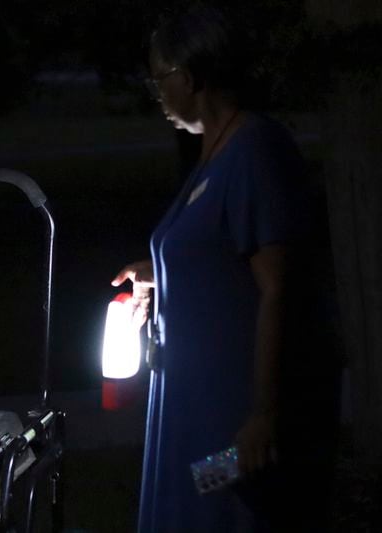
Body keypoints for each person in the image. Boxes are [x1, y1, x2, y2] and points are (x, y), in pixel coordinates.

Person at [113, 7, 339, 532]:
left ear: (189, 77)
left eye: (159, 79)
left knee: (220, 507)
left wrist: (263, 414)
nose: (157, 94)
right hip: (190, 410)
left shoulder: (256, 150)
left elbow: (278, 289)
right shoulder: (213, 157)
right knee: (187, 504)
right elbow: (219, 251)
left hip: (233, 420)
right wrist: (160, 272)